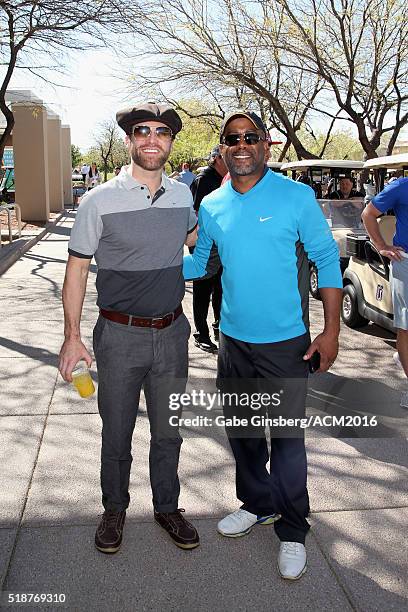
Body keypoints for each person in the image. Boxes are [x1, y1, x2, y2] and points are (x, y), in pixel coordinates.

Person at [183, 110, 342, 580]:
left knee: (288, 442)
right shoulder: (211, 204)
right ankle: (257, 504)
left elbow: (326, 261)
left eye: (251, 137)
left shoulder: (296, 196)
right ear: (223, 149)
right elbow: (202, 266)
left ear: (267, 145)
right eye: (232, 138)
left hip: (286, 346)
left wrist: (330, 332)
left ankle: (293, 530)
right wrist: (151, 259)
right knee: (244, 434)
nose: (241, 144)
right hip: (233, 344)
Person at [58, 102, 199, 554]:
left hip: (173, 334)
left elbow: (199, 241)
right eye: (143, 131)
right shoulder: (97, 201)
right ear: (129, 140)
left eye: (161, 132)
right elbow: (77, 270)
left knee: (168, 430)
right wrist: (73, 337)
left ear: (171, 143)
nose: (152, 139)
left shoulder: (182, 197)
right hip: (119, 337)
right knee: (116, 432)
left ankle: (167, 507)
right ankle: (114, 508)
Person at [362, 177, 408, 407]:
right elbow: (368, 214)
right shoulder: (401, 186)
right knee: (406, 328)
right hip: (406, 262)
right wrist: (381, 245)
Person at [189, 146, 227, 352]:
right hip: (204, 246)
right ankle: (201, 333)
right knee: (202, 291)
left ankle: (218, 326)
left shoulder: (230, 178)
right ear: (216, 159)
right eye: (224, 157)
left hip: (222, 246)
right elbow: (197, 213)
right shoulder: (204, 179)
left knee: (221, 290)